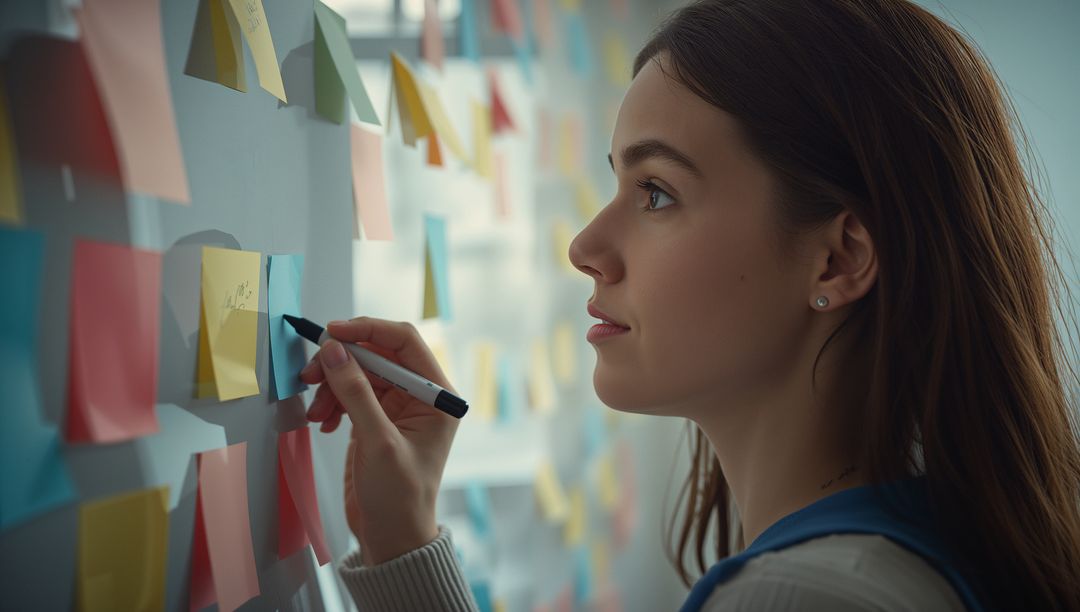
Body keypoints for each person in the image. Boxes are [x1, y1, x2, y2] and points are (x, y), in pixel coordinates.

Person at [298, 0, 1080, 610]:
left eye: (657, 193)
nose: (585, 247)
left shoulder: (804, 599)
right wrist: (404, 546)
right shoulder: (925, 542)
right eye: (619, 185)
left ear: (839, 259)